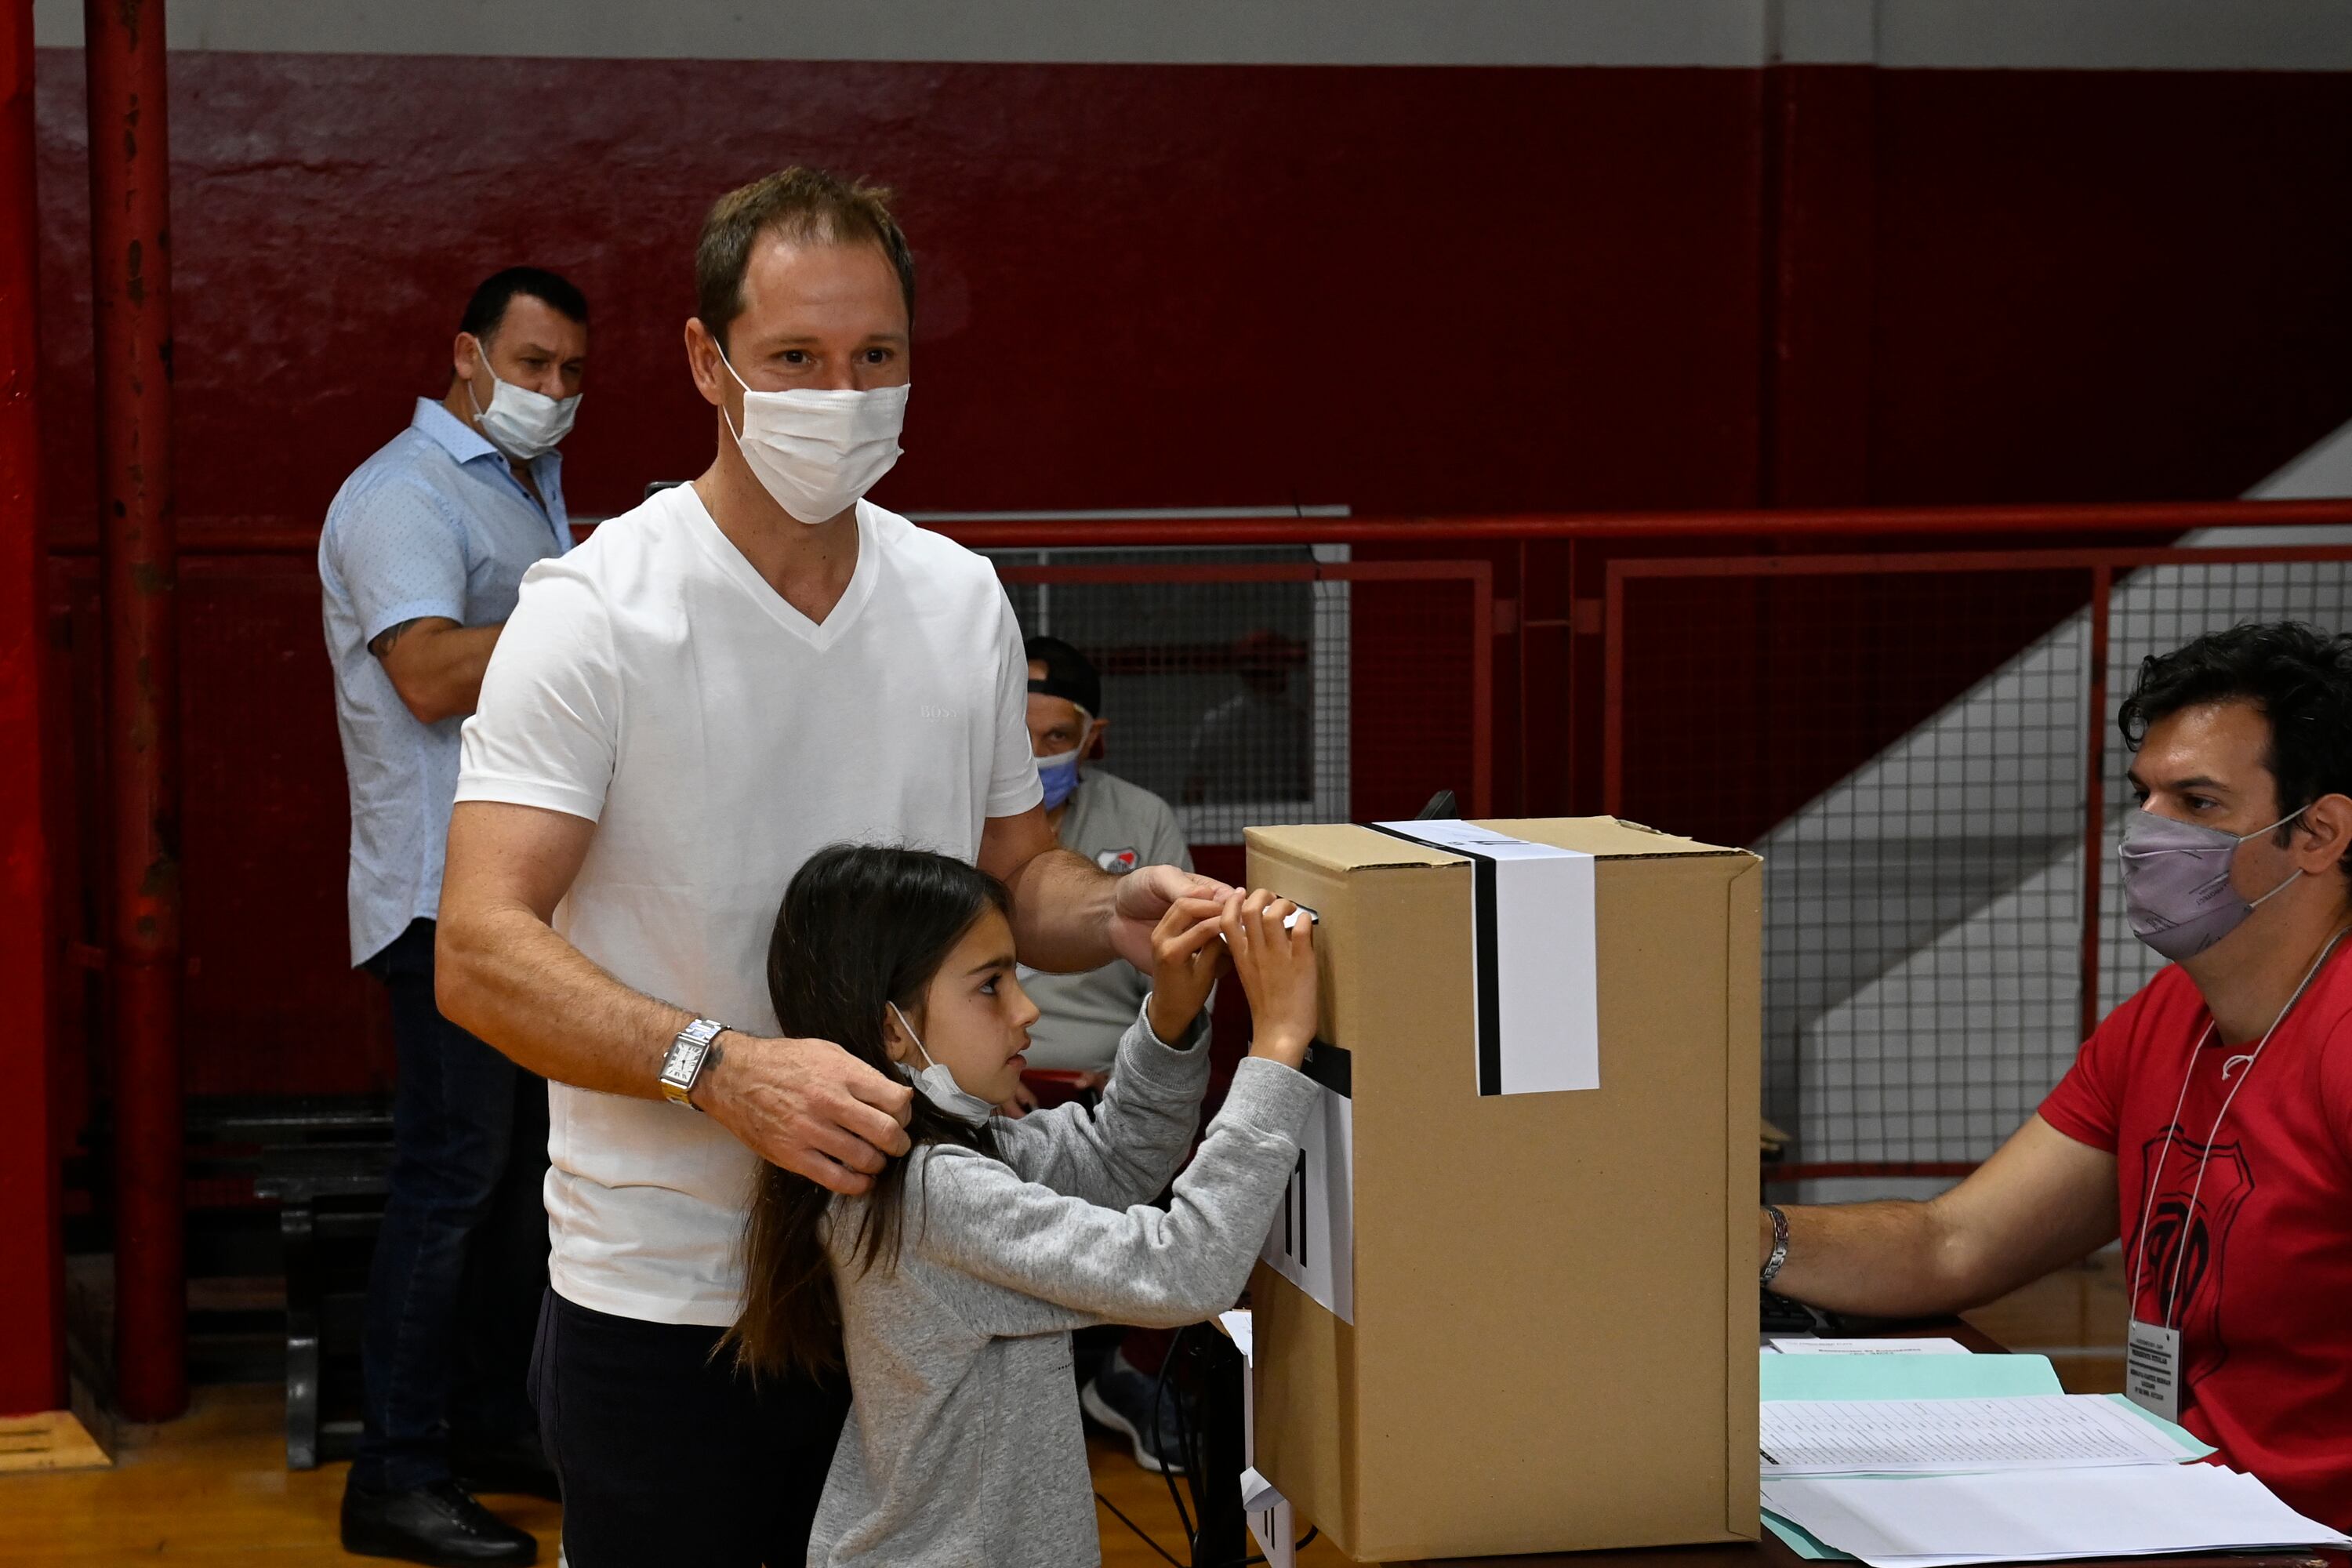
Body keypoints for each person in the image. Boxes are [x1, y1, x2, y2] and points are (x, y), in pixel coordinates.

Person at [434, 169, 1228, 1568]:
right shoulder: (595, 613)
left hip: (921, 1273)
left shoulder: (957, 598)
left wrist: (1116, 912)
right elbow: (480, 950)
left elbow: (1014, 880)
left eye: (876, 358)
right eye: (796, 356)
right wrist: (719, 1067)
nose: (839, 391)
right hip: (677, 1299)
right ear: (707, 360)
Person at [1761, 622, 2352, 1529]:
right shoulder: (2165, 1021)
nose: (2147, 833)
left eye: (2197, 801)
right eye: (2143, 794)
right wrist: (1739, 1235)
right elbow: (1953, 1243)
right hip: (2185, 1505)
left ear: (2318, 831)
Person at [728, 847, 1319, 1568]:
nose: (1027, 1008)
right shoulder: (934, 1192)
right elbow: (1183, 1271)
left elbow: (1115, 1160)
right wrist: (1277, 1050)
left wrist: (1170, 1015)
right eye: (990, 985)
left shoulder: (949, 1157)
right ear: (892, 1031)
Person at [318, 267, 588, 1565]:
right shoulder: (403, 497)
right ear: (465, 357)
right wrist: (584, 609)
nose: (552, 395)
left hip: (522, 900)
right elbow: (427, 673)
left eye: (572, 375)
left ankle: (487, 1422)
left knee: (520, 1188)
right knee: (451, 1182)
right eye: (531, 367)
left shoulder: (524, 491)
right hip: (441, 902)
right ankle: (396, 1473)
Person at [1014, 635, 1206, 1473]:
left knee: (1180, 1158)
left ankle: (1128, 1369)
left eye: (1057, 738)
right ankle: (1031, 1376)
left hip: (1105, 1076)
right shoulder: (955, 815)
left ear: (1093, 735)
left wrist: (1127, 1072)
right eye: (1017, 736)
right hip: (988, 1082)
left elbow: (1184, 968)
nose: (1037, 755)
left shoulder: (1142, 820)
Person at [1182, 627, 1312, 805]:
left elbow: (1194, 789)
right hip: (1286, 829)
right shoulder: (1301, 724)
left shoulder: (1215, 722)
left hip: (1228, 827)